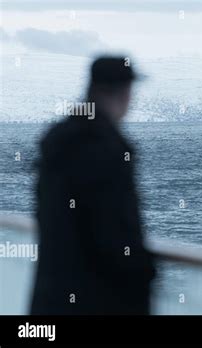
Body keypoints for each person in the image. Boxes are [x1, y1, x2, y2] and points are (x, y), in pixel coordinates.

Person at [31, 56, 156, 315]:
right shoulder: (107, 148)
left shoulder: (56, 140)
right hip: (98, 301)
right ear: (125, 93)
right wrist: (145, 273)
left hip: (50, 299)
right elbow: (114, 233)